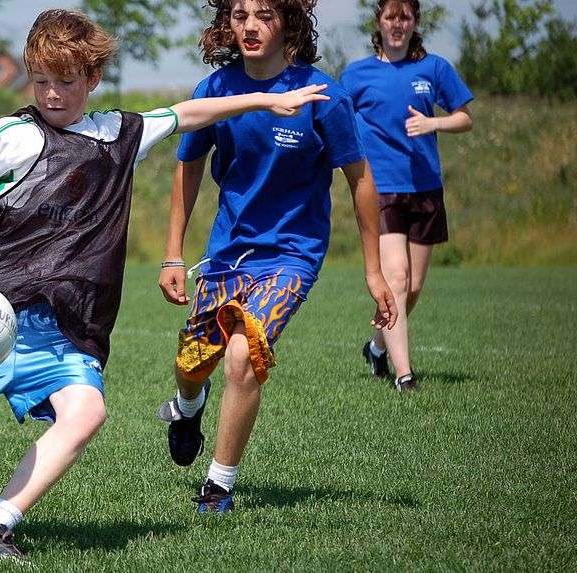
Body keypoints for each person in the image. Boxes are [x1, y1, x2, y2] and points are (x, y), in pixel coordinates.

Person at [0, 9, 331, 559]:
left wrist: (265, 100)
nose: (53, 94)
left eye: (67, 81)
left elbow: (188, 113)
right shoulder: (7, 137)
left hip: (68, 329)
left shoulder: (118, 133)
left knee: (87, 411)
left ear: (92, 79)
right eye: (42, 80)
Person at [156, 0, 397, 514]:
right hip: (226, 254)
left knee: (244, 356)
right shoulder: (214, 91)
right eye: (240, 14)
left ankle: (218, 486)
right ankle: (187, 407)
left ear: (286, 21)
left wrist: (374, 272)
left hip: (293, 254)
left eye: (264, 14)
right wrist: (172, 254)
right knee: (192, 365)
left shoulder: (322, 96)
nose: (250, 25)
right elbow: (187, 169)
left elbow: (361, 181)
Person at [341, 0, 474, 392]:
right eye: (390, 17)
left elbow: (465, 117)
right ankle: (404, 376)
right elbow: (335, 119)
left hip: (425, 187)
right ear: (379, 21)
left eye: (405, 17)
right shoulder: (356, 74)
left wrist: (434, 121)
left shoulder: (433, 68)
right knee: (396, 279)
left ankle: (376, 348)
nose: (397, 24)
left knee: (412, 288)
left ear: (415, 22)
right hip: (380, 190)